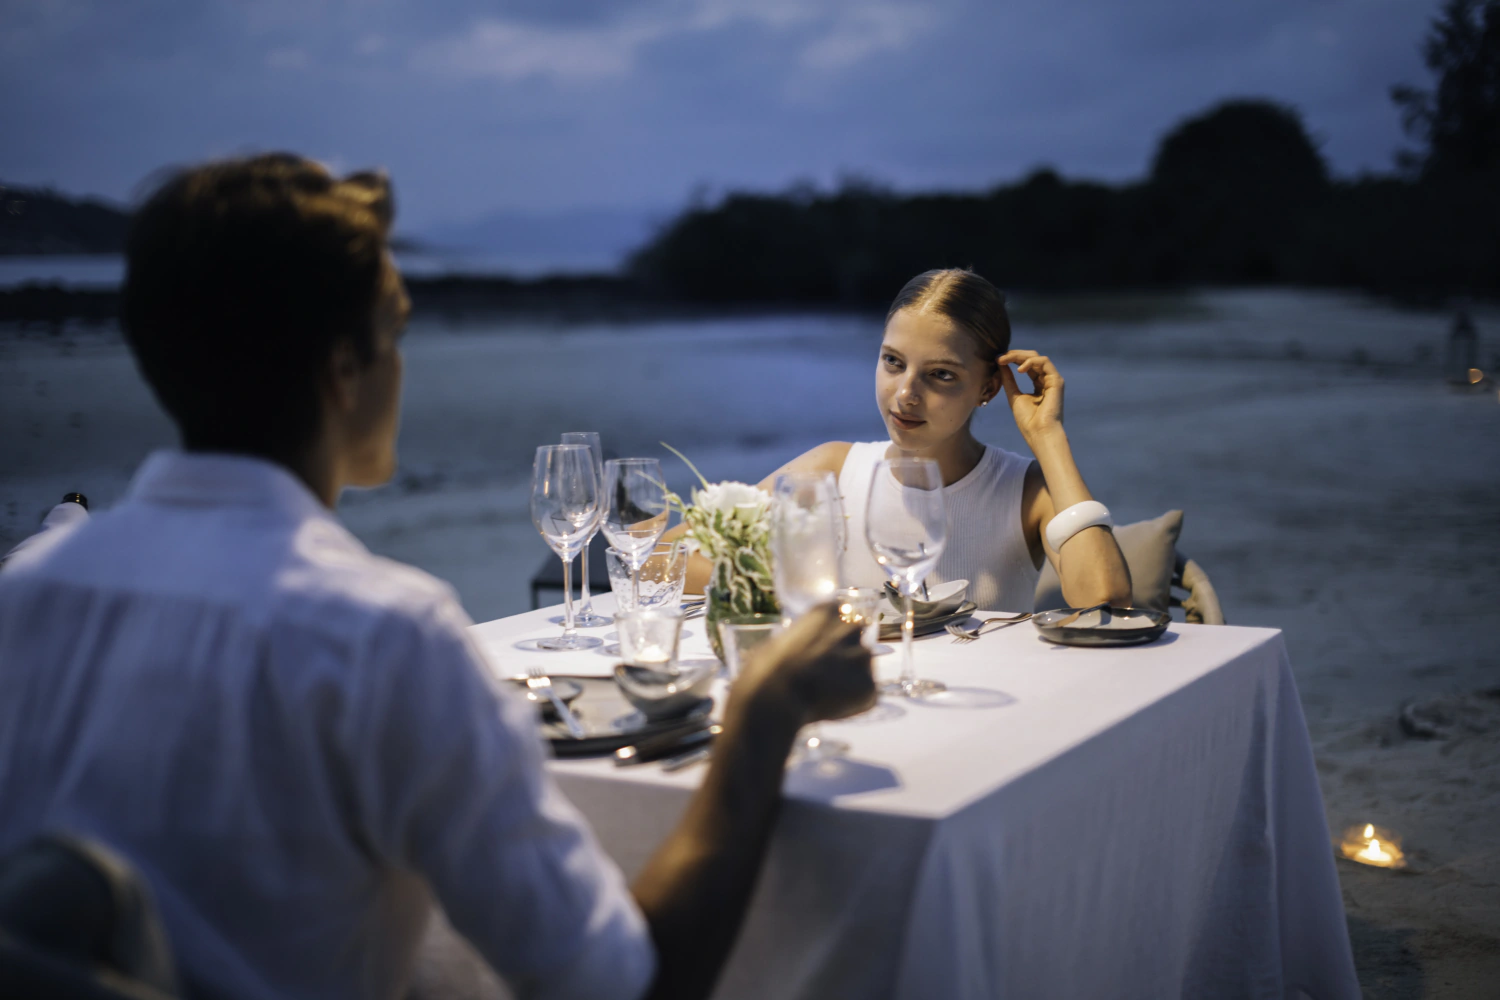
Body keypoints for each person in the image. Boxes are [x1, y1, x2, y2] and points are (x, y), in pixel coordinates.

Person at [0, 154, 875, 1000]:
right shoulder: (381, 635)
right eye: (397, 332)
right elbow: (619, 984)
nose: (402, 364)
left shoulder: (28, 595)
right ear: (346, 367)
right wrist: (762, 716)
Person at [679, 268, 1132, 612]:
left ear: (989, 388)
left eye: (940, 375)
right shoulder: (832, 471)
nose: (906, 394)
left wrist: (1047, 437)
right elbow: (665, 556)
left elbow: (1105, 598)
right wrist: (801, 591)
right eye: (893, 362)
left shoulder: (1026, 490)